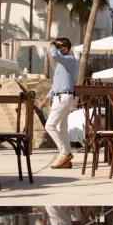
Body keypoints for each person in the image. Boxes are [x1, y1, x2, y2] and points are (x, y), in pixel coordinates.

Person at [38, 38, 78, 169]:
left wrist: (53, 45)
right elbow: (57, 84)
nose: (54, 48)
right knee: (62, 128)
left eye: (58, 46)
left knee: (50, 125)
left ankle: (65, 153)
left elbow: (54, 54)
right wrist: (46, 99)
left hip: (64, 97)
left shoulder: (69, 59)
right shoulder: (62, 63)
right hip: (59, 97)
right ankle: (65, 159)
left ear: (65, 49)